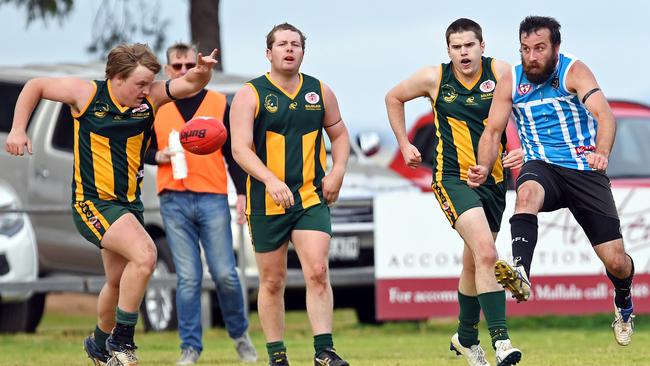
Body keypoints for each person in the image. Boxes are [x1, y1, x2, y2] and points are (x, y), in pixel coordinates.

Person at [5, 43, 218, 366]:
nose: (147, 90)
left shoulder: (151, 98)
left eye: (150, 84)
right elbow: (35, 86)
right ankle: (122, 340)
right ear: (117, 78)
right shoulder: (86, 94)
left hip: (128, 205)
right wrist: (18, 130)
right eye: (140, 84)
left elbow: (190, 84)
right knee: (146, 255)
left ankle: (99, 344)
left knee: (118, 284)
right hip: (93, 204)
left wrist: (203, 73)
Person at [469, 15, 636, 347]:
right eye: (525, 49)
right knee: (527, 192)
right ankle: (520, 272)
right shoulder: (511, 81)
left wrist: (602, 152)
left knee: (616, 261)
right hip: (541, 167)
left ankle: (624, 302)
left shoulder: (574, 71)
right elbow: (492, 131)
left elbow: (605, 116)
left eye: (540, 48)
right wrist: (484, 166)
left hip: (584, 171)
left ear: (555, 48)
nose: (532, 57)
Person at [385, 18, 523, 366]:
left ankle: (464, 338)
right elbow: (393, 97)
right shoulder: (435, 78)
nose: (463, 52)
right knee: (488, 254)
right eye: (457, 47)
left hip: (492, 181)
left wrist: (526, 150)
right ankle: (502, 342)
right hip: (453, 179)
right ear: (449, 51)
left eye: (469, 45)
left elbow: (524, 112)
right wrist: (403, 143)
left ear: (482, 46)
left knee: (475, 261)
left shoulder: (501, 72)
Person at [230, 23, 350, 366]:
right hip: (266, 200)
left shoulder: (320, 92)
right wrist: (270, 180)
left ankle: (324, 351)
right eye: (281, 44)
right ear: (269, 53)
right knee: (272, 280)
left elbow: (340, 136)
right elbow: (240, 149)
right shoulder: (249, 94)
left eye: (295, 44)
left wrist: (337, 172)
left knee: (317, 271)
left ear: (302, 51)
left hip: (310, 197)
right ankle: (277, 355)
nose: (288, 49)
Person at [145, 42, 257, 365]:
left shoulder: (217, 101)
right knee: (189, 277)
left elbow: (231, 149)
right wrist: (158, 156)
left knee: (225, 273)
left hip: (211, 195)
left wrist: (240, 191)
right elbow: (141, 149)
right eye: (176, 67)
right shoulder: (156, 104)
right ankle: (190, 347)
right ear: (167, 71)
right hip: (173, 197)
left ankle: (240, 336)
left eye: (187, 66)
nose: (182, 71)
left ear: (197, 67)